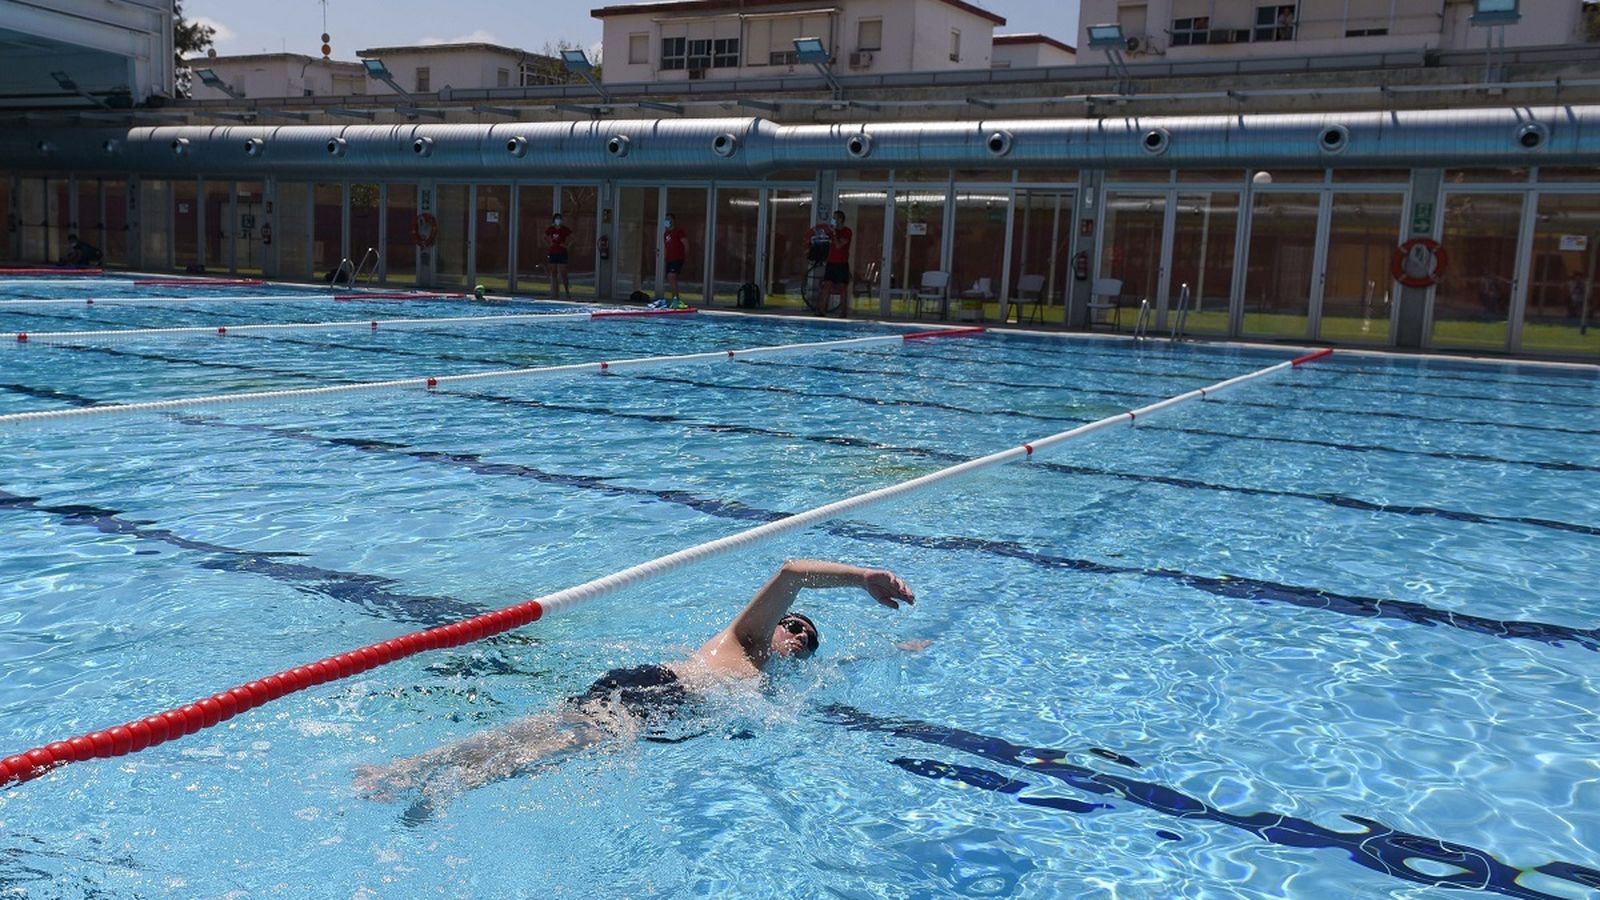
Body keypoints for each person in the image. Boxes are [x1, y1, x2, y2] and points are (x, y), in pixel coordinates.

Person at [354, 559, 914, 817]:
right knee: (555, 746)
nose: (796, 636)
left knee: (538, 732)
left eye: (807, 640)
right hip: (660, 691)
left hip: (651, 698)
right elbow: (792, 573)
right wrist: (863, 579)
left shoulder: (773, 682)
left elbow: (844, 668)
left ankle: (403, 769)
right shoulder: (746, 642)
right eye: (793, 625)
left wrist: (905, 649)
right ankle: (447, 788)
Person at [814, 210, 853, 318]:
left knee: (842, 288)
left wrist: (834, 233)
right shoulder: (831, 232)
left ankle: (843, 312)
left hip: (842, 263)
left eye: (834, 218)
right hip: (831, 262)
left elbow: (838, 245)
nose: (833, 220)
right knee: (826, 286)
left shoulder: (847, 231)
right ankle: (821, 310)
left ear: (840, 219)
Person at [661, 212, 688, 305]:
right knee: (671, 279)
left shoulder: (679, 232)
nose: (667, 221)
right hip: (669, 259)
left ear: (673, 220)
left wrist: (685, 256)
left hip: (677, 258)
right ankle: (675, 299)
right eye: (666, 219)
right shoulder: (666, 233)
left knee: (671, 277)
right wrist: (665, 257)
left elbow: (686, 244)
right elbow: (666, 246)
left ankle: (676, 300)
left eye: (669, 219)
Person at [544, 213, 573, 300]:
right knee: (554, 273)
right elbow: (544, 237)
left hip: (562, 253)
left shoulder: (564, 229)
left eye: (559, 219)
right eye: (556, 219)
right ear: (554, 220)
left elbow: (573, 238)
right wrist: (549, 244)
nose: (558, 220)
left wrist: (567, 245)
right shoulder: (551, 229)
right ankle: (555, 293)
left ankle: (567, 292)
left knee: (563, 273)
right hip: (553, 252)